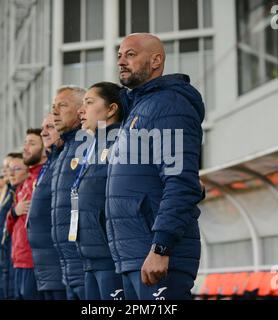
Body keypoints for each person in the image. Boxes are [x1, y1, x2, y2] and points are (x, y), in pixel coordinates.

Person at [106, 33, 205, 300]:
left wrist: (161, 247)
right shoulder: (140, 108)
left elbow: (180, 181)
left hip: (157, 255)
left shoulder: (169, 105)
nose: (121, 62)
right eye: (119, 56)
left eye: (130, 54)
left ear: (156, 60)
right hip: (133, 255)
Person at [75, 82, 125, 300]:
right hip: (89, 256)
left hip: (109, 255)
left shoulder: (120, 143)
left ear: (111, 109)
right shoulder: (94, 145)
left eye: (89, 102)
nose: (81, 110)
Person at [50, 86, 87, 300]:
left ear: (82, 110)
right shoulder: (65, 150)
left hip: (83, 260)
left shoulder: (89, 144)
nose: (55, 112)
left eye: (62, 106)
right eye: (53, 107)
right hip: (66, 262)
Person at [27, 113, 67, 300]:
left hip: (57, 261)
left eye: (50, 127)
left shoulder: (64, 160)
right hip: (42, 264)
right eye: (43, 128)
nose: (43, 132)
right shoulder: (51, 163)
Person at [6, 130, 45, 300]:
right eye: (25, 143)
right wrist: (14, 212)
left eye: (32, 143)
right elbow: (7, 227)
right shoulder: (23, 186)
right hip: (18, 259)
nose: (25, 147)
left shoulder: (39, 179)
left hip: (32, 259)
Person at [0, 154, 19, 299]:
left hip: (11, 254)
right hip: (3, 256)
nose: (5, 171)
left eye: (9, 167)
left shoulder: (13, 192)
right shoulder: (7, 194)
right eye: (5, 167)